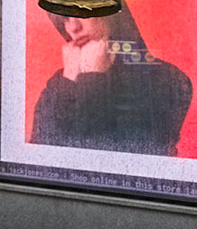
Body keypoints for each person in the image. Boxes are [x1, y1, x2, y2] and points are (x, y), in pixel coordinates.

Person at [32, 9, 191, 155]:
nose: (73, 27)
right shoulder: (60, 81)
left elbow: (110, 154)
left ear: (113, 15)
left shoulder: (169, 78)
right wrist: (69, 81)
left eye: (83, 12)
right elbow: (41, 151)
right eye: (65, 19)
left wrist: (93, 78)